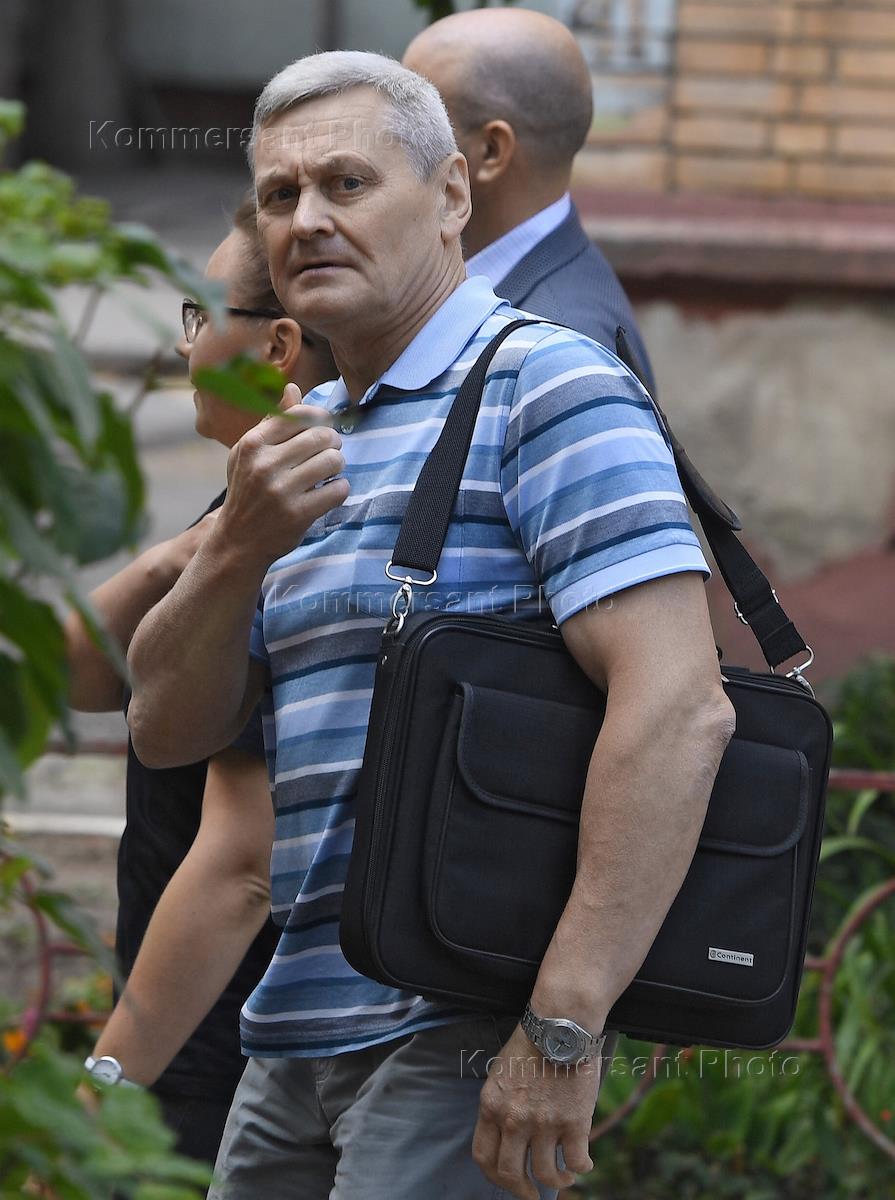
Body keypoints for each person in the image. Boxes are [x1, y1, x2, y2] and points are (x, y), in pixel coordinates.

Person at [127, 52, 735, 1200]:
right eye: (279, 195)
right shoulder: (299, 439)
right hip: (290, 1035)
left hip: (458, 1029)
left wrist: (562, 1025)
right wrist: (234, 545)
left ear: (453, 194)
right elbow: (165, 728)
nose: (306, 219)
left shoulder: (546, 388)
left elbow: (677, 708)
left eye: (347, 184)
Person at [67, 196, 337, 1165]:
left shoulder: (295, 540)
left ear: (276, 347)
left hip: (213, 1054)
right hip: (195, 1042)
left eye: (199, 315)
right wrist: (184, 556)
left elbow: (241, 868)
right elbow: (80, 673)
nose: (185, 347)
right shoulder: (250, 511)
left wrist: (101, 1098)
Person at [403, 5, 655, 392]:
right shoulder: (525, 299)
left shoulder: (561, 355)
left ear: (491, 151)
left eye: (417, 124)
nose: (393, 143)